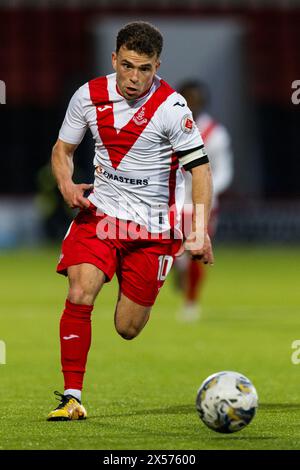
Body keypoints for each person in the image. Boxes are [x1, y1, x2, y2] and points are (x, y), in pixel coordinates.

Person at [47, 22, 214, 421]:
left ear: (158, 65)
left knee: (127, 328)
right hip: (100, 216)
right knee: (79, 293)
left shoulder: (173, 109)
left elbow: (201, 171)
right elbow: (62, 149)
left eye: (145, 68)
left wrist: (198, 229)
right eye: (127, 66)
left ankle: (140, 278)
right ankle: (71, 397)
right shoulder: (87, 96)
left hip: (152, 230)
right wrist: (66, 185)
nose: (135, 78)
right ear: (113, 60)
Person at [174, 81, 233, 322]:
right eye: (188, 99)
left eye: (196, 99)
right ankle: (178, 273)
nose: (192, 104)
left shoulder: (216, 134)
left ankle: (191, 302)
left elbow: (224, 172)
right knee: (174, 255)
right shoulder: (169, 127)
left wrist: (207, 191)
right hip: (174, 201)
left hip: (202, 205)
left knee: (196, 251)